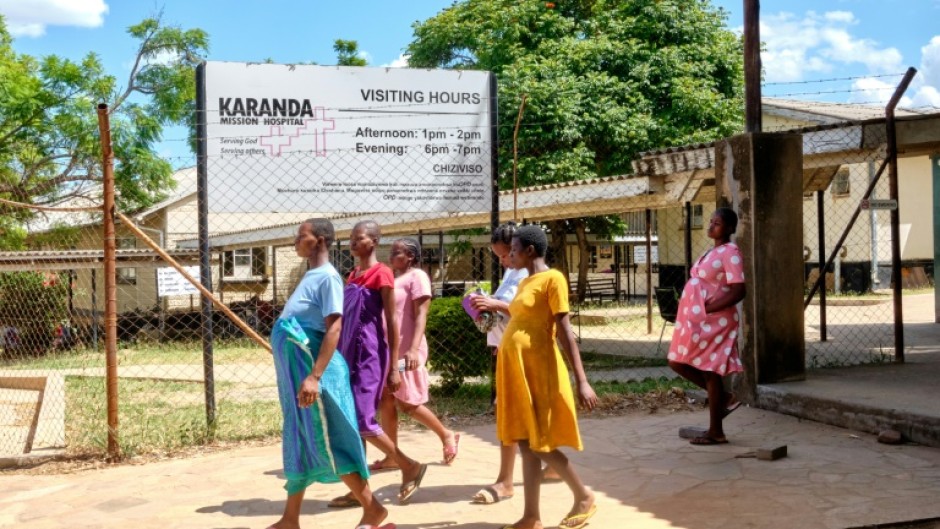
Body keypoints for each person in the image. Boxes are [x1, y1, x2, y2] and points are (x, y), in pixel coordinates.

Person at [267, 218, 393, 529]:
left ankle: (373, 509)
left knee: (327, 440)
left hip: (314, 373)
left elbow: (334, 327)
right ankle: (290, 519)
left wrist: (315, 376)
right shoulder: (311, 275)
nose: (296, 241)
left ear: (321, 240)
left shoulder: (328, 277)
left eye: (302, 236)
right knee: (301, 438)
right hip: (298, 373)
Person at [496, 224, 598, 529]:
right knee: (526, 442)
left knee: (539, 443)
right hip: (518, 371)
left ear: (529, 251)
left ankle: (583, 496)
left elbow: (565, 332)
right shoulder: (525, 281)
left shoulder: (553, 279)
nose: (510, 255)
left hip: (540, 369)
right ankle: (531, 516)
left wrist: (582, 380)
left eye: (514, 249)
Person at [331, 220, 428, 508]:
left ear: (373, 241)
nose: (353, 242)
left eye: (359, 237)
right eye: (351, 237)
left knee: (363, 419)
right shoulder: (352, 275)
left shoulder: (382, 273)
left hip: (371, 355)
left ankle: (409, 466)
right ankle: (359, 490)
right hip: (348, 355)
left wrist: (394, 367)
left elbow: (392, 321)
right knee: (351, 421)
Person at [468, 221, 558, 505]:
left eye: (506, 254)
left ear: (522, 249)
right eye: (498, 256)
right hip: (508, 349)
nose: (503, 260)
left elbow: (532, 313)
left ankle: (507, 481)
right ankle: (551, 467)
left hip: (527, 353)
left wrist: (494, 305)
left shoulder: (536, 276)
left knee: (511, 413)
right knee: (514, 412)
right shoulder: (513, 271)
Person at [372, 237, 460, 472]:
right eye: (391, 252)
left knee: (407, 403)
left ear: (410, 256)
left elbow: (421, 314)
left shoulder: (417, 276)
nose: (391, 256)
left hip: (407, 351)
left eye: (397, 252)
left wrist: (413, 348)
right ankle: (392, 455)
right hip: (390, 350)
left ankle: (446, 434)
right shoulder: (393, 279)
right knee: (386, 399)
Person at [667, 207, 747, 445]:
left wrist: (708, 308)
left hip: (715, 320)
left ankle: (716, 432)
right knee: (676, 361)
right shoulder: (712, 251)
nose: (711, 226)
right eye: (711, 221)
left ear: (730, 228)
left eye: (717, 223)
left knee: (709, 371)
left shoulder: (731, 252)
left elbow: (739, 290)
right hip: (698, 320)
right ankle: (724, 398)